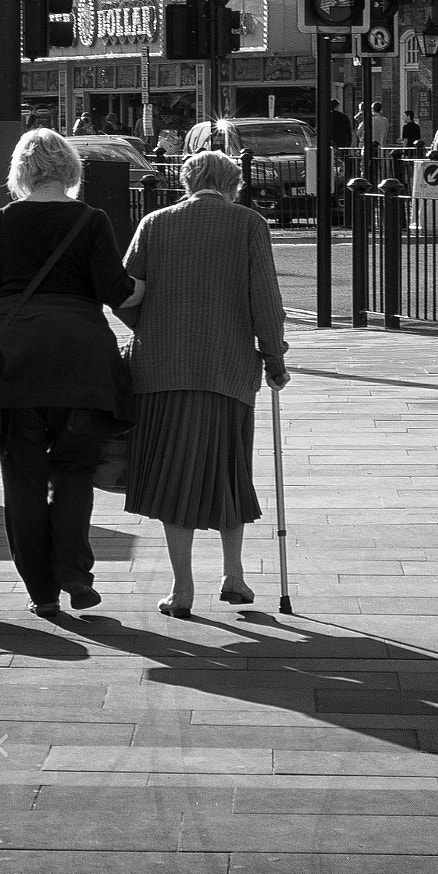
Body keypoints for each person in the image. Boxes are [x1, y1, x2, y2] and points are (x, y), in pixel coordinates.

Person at [0, 128, 143, 616]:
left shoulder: (2, 222)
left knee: (21, 484)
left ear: (20, 172)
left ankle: (42, 592)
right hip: (83, 366)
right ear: (70, 169)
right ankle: (75, 573)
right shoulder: (90, 220)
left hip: (19, 366)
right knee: (73, 477)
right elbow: (116, 290)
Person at [121, 150, 290, 619]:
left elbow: (125, 292)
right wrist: (273, 357)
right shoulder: (248, 223)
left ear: (186, 180)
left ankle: (182, 589)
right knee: (227, 471)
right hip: (228, 370)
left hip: (161, 371)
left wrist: (147, 326)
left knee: (175, 476)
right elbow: (266, 299)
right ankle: (233, 575)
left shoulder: (154, 223)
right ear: (233, 184)